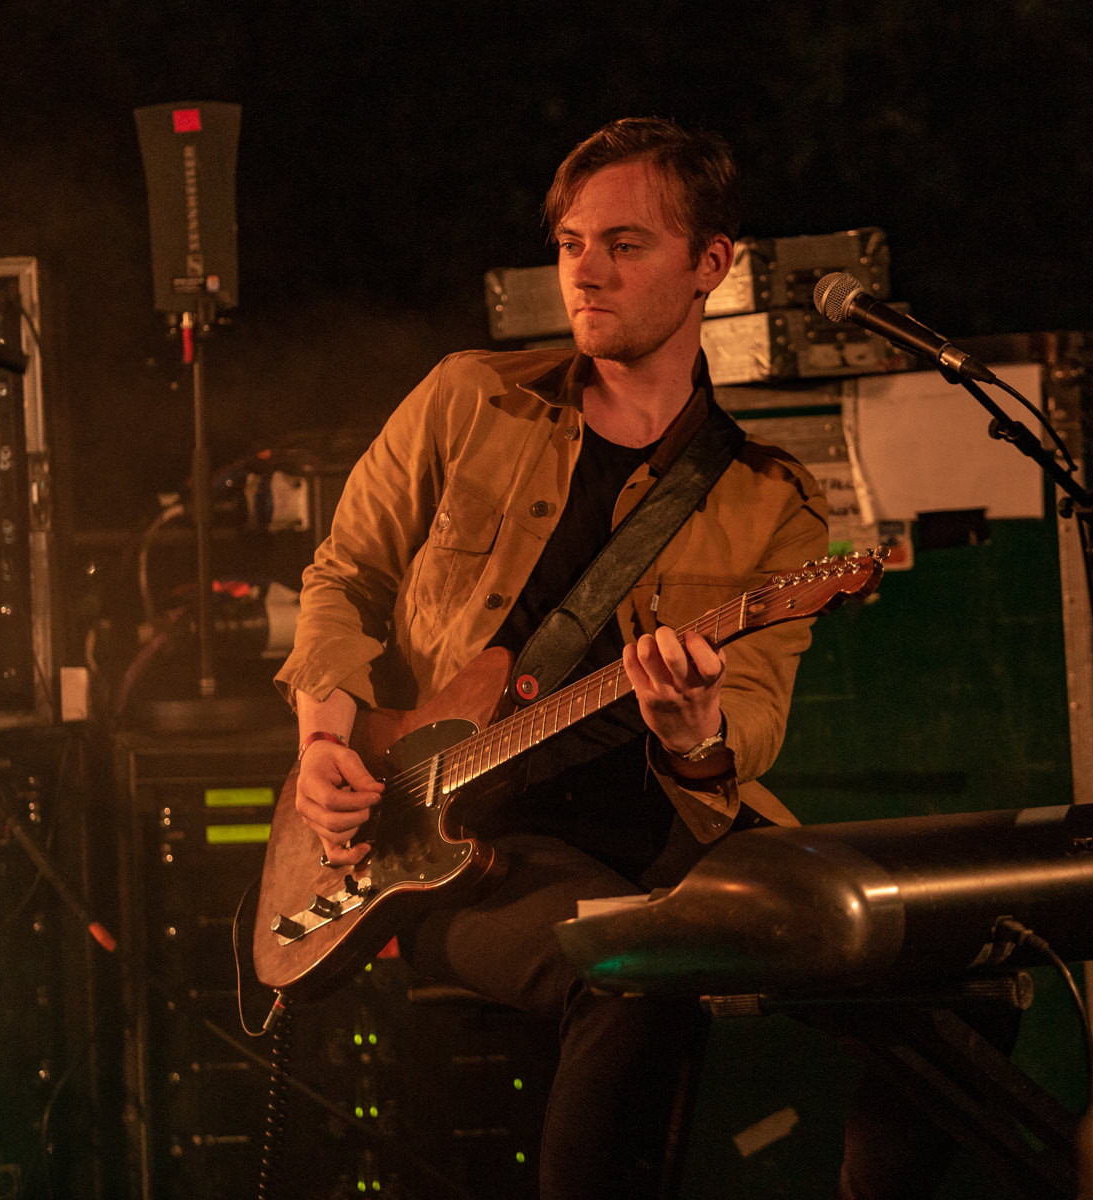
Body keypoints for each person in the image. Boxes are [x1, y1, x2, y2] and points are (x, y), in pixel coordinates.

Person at [276, 116, 829, 1199]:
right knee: (634, 980)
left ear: (711, 262)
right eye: (572, 242)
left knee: (959, 968)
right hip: (451, 857)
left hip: (665, 844)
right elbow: (343, 573)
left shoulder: (772, 500)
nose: (587, 270)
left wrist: (696, 733)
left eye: (625, 244)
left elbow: (753, 719)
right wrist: (323, 739)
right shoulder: (467, 398)